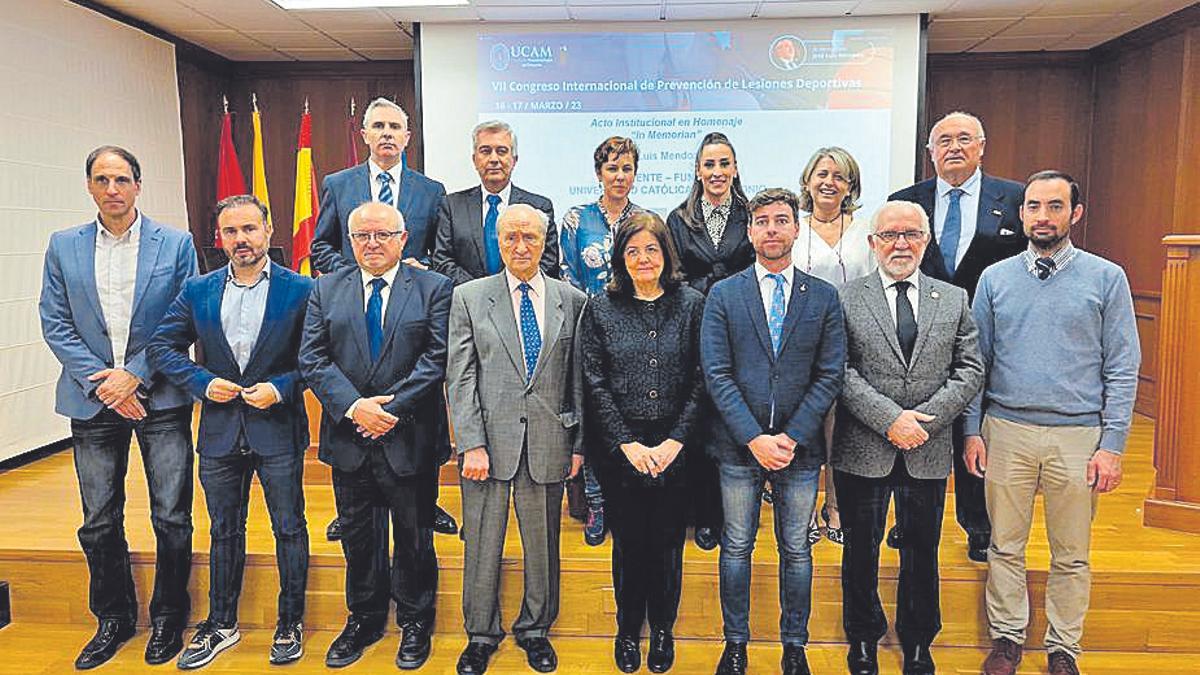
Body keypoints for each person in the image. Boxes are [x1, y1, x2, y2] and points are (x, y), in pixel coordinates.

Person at [968, 171, 1139, 675]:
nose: (1043, 216)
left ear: (1075, 213)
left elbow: (1122, 366)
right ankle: (1006, 639)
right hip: (1006, 431)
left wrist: (1112, 445)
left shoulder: (1107, 278)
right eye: (1034, 207)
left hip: (1078, 436)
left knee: (1072, 552)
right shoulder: (994, 279)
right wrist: (973, 430)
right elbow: (977, 362)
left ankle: (1064, 646)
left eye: (1055, 206)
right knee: (1005, 545)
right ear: (1021, 214)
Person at [39, 145, 198, 669]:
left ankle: (170, 617)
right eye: (102, 179)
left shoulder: (175, 244)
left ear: (138, 185)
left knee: (172, 516)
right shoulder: (63, 246)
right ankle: (113, 618)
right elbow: (55, 322)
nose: (112, 189)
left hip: (162, 397)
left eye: (122, 179)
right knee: (99, 519)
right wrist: (105, 383)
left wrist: (135, 376)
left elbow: (181, 319)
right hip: (92, 401)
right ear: (89, 186)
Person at [147, 195, 313, 668]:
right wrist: (202, 382)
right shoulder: (198, 289)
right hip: (219, 432)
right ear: (219, 239)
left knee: (289, 527)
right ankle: (221, 624)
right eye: (231, 232)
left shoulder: (300, 290)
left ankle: (290, 621)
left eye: (249, 229)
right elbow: (163, 346)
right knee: (224, 529)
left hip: (278, 429)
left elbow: (315, 359)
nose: (241, 240)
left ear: (269, 230)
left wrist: (281, 388)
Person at [298, 201, 452, 670]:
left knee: (414, 537)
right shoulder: (325, 289)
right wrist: (355, 407)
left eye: (383, 235)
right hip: (350, 438)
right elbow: (313, 358)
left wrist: (391, 409)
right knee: (358, 539)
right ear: (350, 241)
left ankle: (415, 620)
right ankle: (363, 618)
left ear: (403, 239)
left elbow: (436, 358)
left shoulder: (434, 287)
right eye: (363, 236)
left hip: (410, 437)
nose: (373, 244)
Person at [834, 200, 984, 675]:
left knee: (922, 547)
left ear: (925, 241)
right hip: (864, 445)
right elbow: (838, 369)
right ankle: (862, 637)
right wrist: (888, 419)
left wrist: (924, 420)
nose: (900, 244)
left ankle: (919, 640)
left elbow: (970, 369)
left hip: (928, 446)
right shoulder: (846, 298)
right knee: (861, 547)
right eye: (890, 235)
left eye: (911, 234)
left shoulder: (954, 298)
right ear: (872, 243)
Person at [700, 188, 846, 675]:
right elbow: (716, 373)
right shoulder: (723, 294)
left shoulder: (823, 297)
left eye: (781, 220)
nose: (771, 230)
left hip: (799, 452)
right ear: (750, 230)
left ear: (796, 227)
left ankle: (794, 645)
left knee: (796, 550)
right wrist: (753, 438)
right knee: (737, 546)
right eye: (761, 221)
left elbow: (830, 374)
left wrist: (792, 437)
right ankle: (736, 642)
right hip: (738, 448)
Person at [447, 204, 587, 675]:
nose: (520, 246)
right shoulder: (469, 297)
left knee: (543, 544)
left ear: (545, 242)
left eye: (530, 237)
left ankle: (535, 630)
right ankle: (481, 634)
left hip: (550, 442)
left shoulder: (572, 299)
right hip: (487, 445)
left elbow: (577, 381)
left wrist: (579, 445)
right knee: (482, 543)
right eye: (511, 238)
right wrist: (471, 443)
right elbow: (460, 377)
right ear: (498, 242)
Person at [310, 96, 457, 539]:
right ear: (365, 134)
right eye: (379, 126)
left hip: (412, 306)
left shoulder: (431, 190)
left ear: (408, 137)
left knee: (415, 453)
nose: (388, 133)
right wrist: (357, 277)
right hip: (357, 304)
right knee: (360, 520)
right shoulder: (339, 183)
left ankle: (425, 508)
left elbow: (440, 251)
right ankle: (353, 510)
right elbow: (322, 246)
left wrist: (418, 270)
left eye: (396, 126)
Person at [888, 111, 1025, 562]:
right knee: (916, 425)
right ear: (930, 152)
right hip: (918, 337)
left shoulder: (1015, 198)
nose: (954, 147)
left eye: (965, 138)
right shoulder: (907, 201)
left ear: (982, 146)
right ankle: (906, 522)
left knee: (974, 431)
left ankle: (978, 524)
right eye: (943, 140)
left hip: (989, 337)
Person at [580, 212, 706, 674]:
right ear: (620, 258)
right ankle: (628, 628)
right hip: (622, 450)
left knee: (668, 543)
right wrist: (626, 444)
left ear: (665, 253)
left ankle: (665, 628)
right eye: (632, 251)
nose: (642, 259)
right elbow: (594, 383)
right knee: (630, 544)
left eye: (651, 249)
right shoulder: (601, 307)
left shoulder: (692, 304)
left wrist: (675, 440)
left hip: (677, 447)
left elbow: (702, 379)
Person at [666, 131, 754, 552]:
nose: (717, 172)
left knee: (733, 423)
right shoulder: (678, 219)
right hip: (694, 328)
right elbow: (674, 276)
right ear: (698, 170)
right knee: (698, 424)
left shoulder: (752, 214)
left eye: (724, 163)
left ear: (735, 168)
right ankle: (701, 516)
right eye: (709, 164)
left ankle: (733, 515)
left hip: (742, 331)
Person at [559, 136, 643, 545]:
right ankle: (595, 503)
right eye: (612, 168)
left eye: (627, 168)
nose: (620, 176)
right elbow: (568, 277)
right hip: (589, 331)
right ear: (599, 173)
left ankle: (626, 500)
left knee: (627, 417)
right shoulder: (577, 219)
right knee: (593, 417)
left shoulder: (646, 220)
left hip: (636, 336)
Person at [793, 146, 876, 547]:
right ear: (808, 181)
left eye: (839, 176)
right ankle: (806, 507)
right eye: (822, 174)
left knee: (843, 431)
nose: (829, 182)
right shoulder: (793, 227)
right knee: (806, 427)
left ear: (850, 186)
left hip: (853, 343)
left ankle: (836, 505)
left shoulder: (867, 232)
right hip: (800, 345)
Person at [432, 119, 558, 284]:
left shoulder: (538, 207)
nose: (493, 159)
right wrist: (479, 293)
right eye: (485, 151)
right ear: (474, 160)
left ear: (514, 160)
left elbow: (548, 261)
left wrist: (507, 292)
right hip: (469, 303)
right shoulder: (452, 206)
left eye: (501, 151)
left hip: (522, 301)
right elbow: (443, 260)